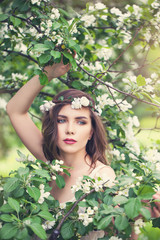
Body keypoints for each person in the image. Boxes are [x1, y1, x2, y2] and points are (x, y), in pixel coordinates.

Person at [6, 59, 160, 239]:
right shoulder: (49, 163)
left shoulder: (100, 177)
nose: (70, 129)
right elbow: (15, 110)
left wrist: (136, 210)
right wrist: (48, 73)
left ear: (91, 132)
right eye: (62, 120)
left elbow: (116, 218)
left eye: (80, 122)